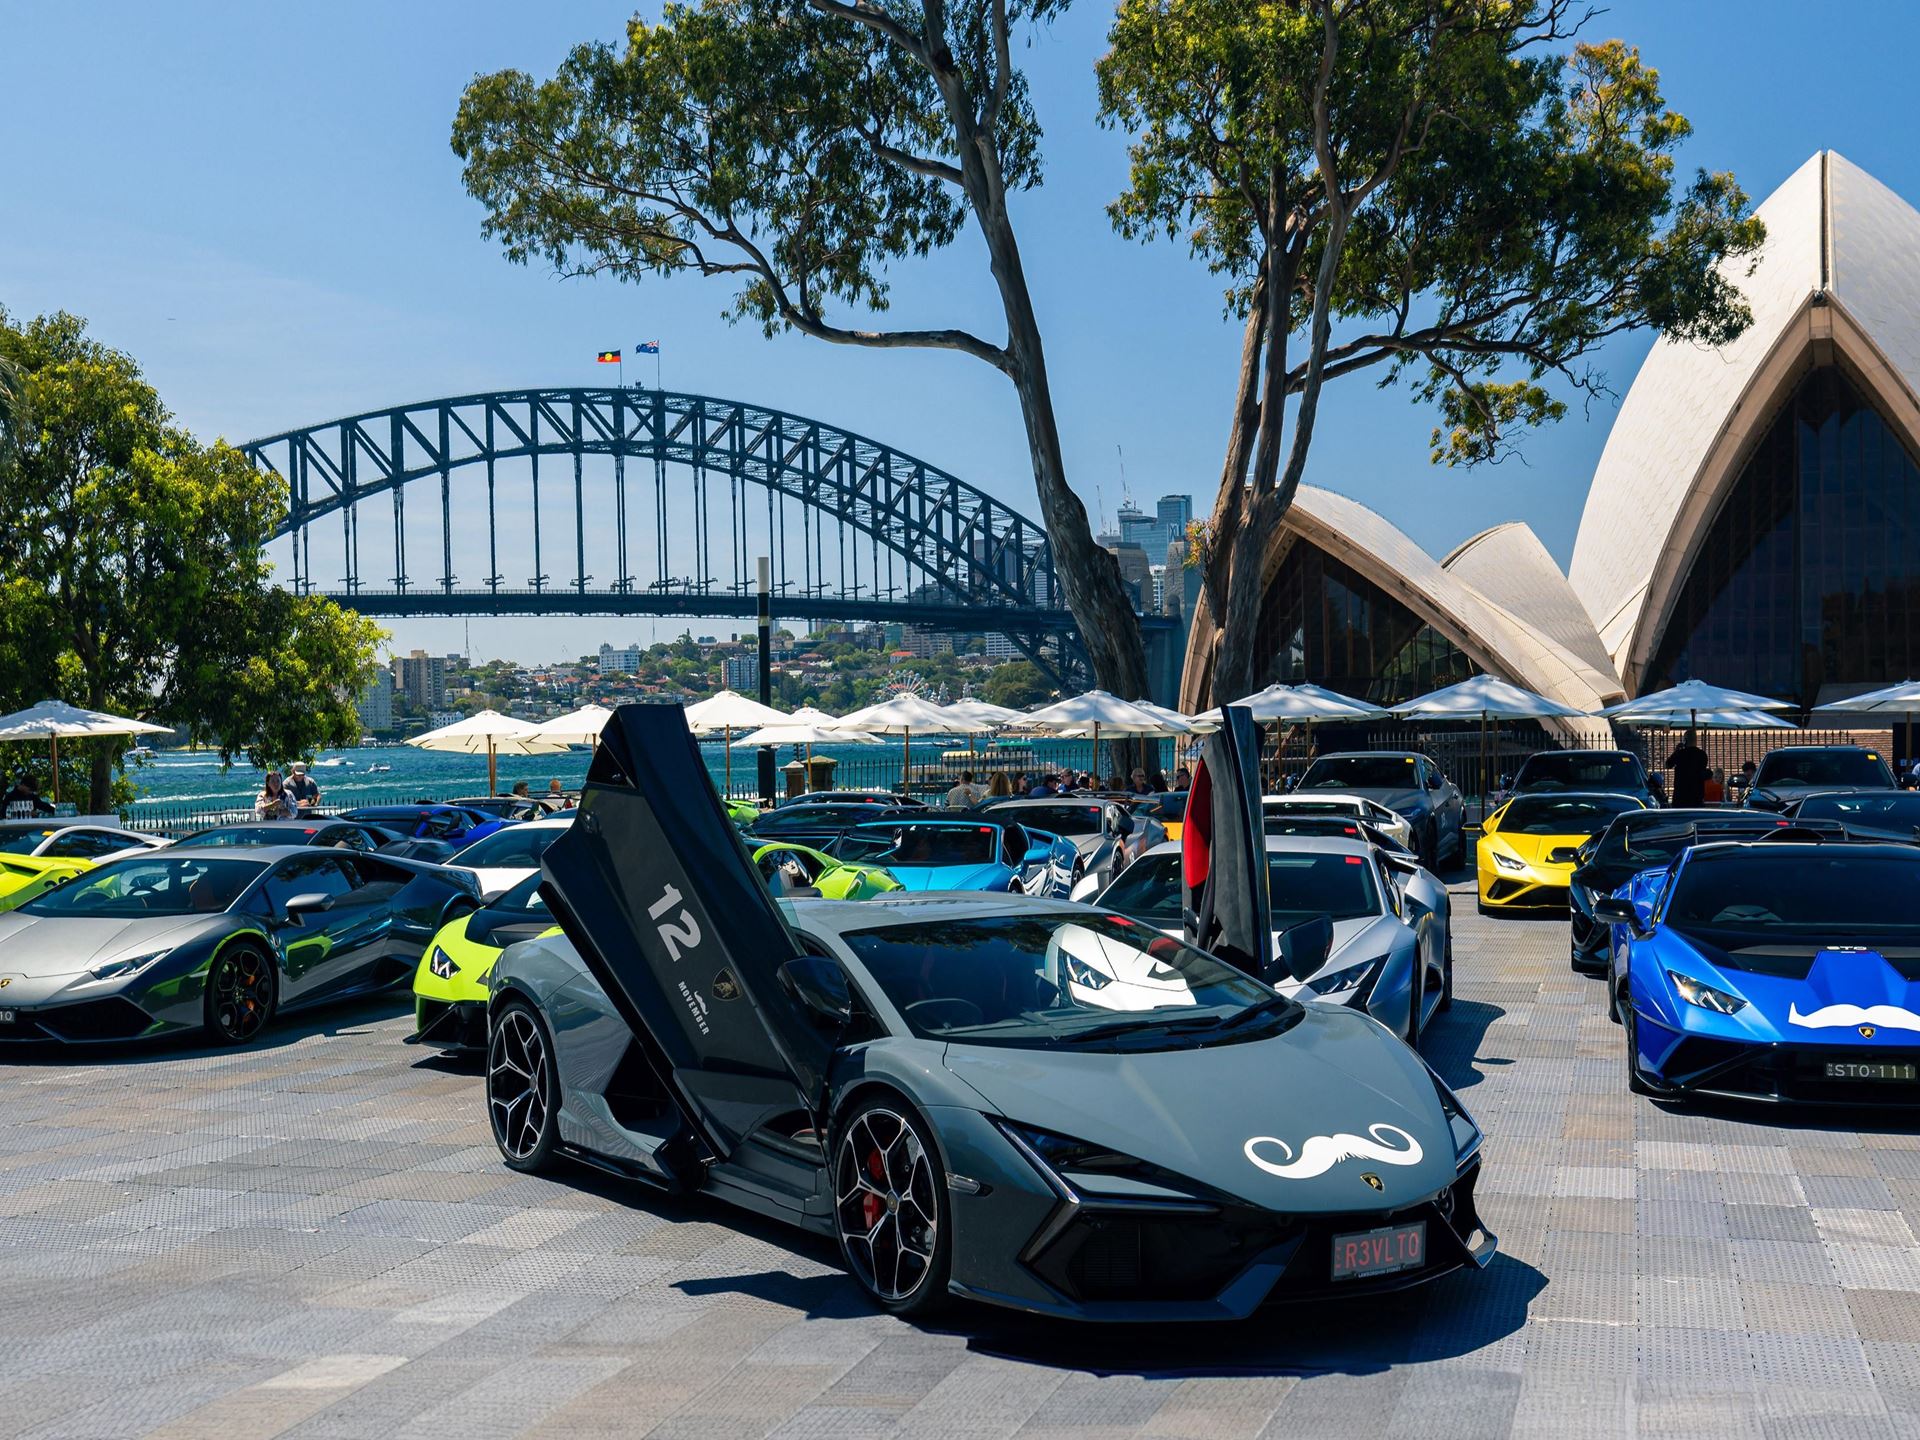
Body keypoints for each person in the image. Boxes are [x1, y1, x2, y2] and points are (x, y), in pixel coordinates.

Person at [1666, 728, 1710, 808]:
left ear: (1685, 740)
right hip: (1696, 795)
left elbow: (1668, 764)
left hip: (1680, 795)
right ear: (1696, 740)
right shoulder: (1702, 755)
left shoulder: (1680, 754)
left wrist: (1676, 750)